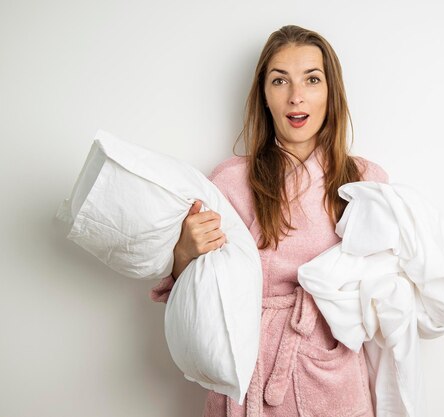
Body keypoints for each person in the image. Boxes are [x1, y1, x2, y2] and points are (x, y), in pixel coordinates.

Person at [150, 24, 388, 417]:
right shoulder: (230, 181)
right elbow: (192, 296)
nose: (296, 97)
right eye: (280, 81)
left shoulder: (365, 181)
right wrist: (183, 253)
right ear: (264, 94)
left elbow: (389, 290)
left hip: (334, 376)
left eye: (312, 79)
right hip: (249, 371)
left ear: (331, 91)